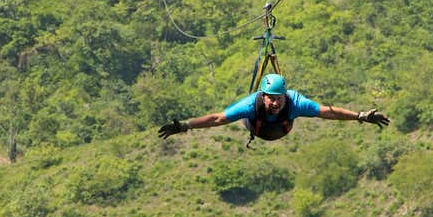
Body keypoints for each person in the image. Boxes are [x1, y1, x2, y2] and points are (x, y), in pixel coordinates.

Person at [158, 73, 389, 142]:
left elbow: (327, 112)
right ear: (263, 96)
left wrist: (360, 116)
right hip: (257, 127)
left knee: (311, 111)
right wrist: (186, 125)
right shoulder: (252, 104)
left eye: (279, 98)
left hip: (280, 129)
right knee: (241, 115)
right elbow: (218, 118)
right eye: (271, 98)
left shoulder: (295, 102)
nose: (275, 102)